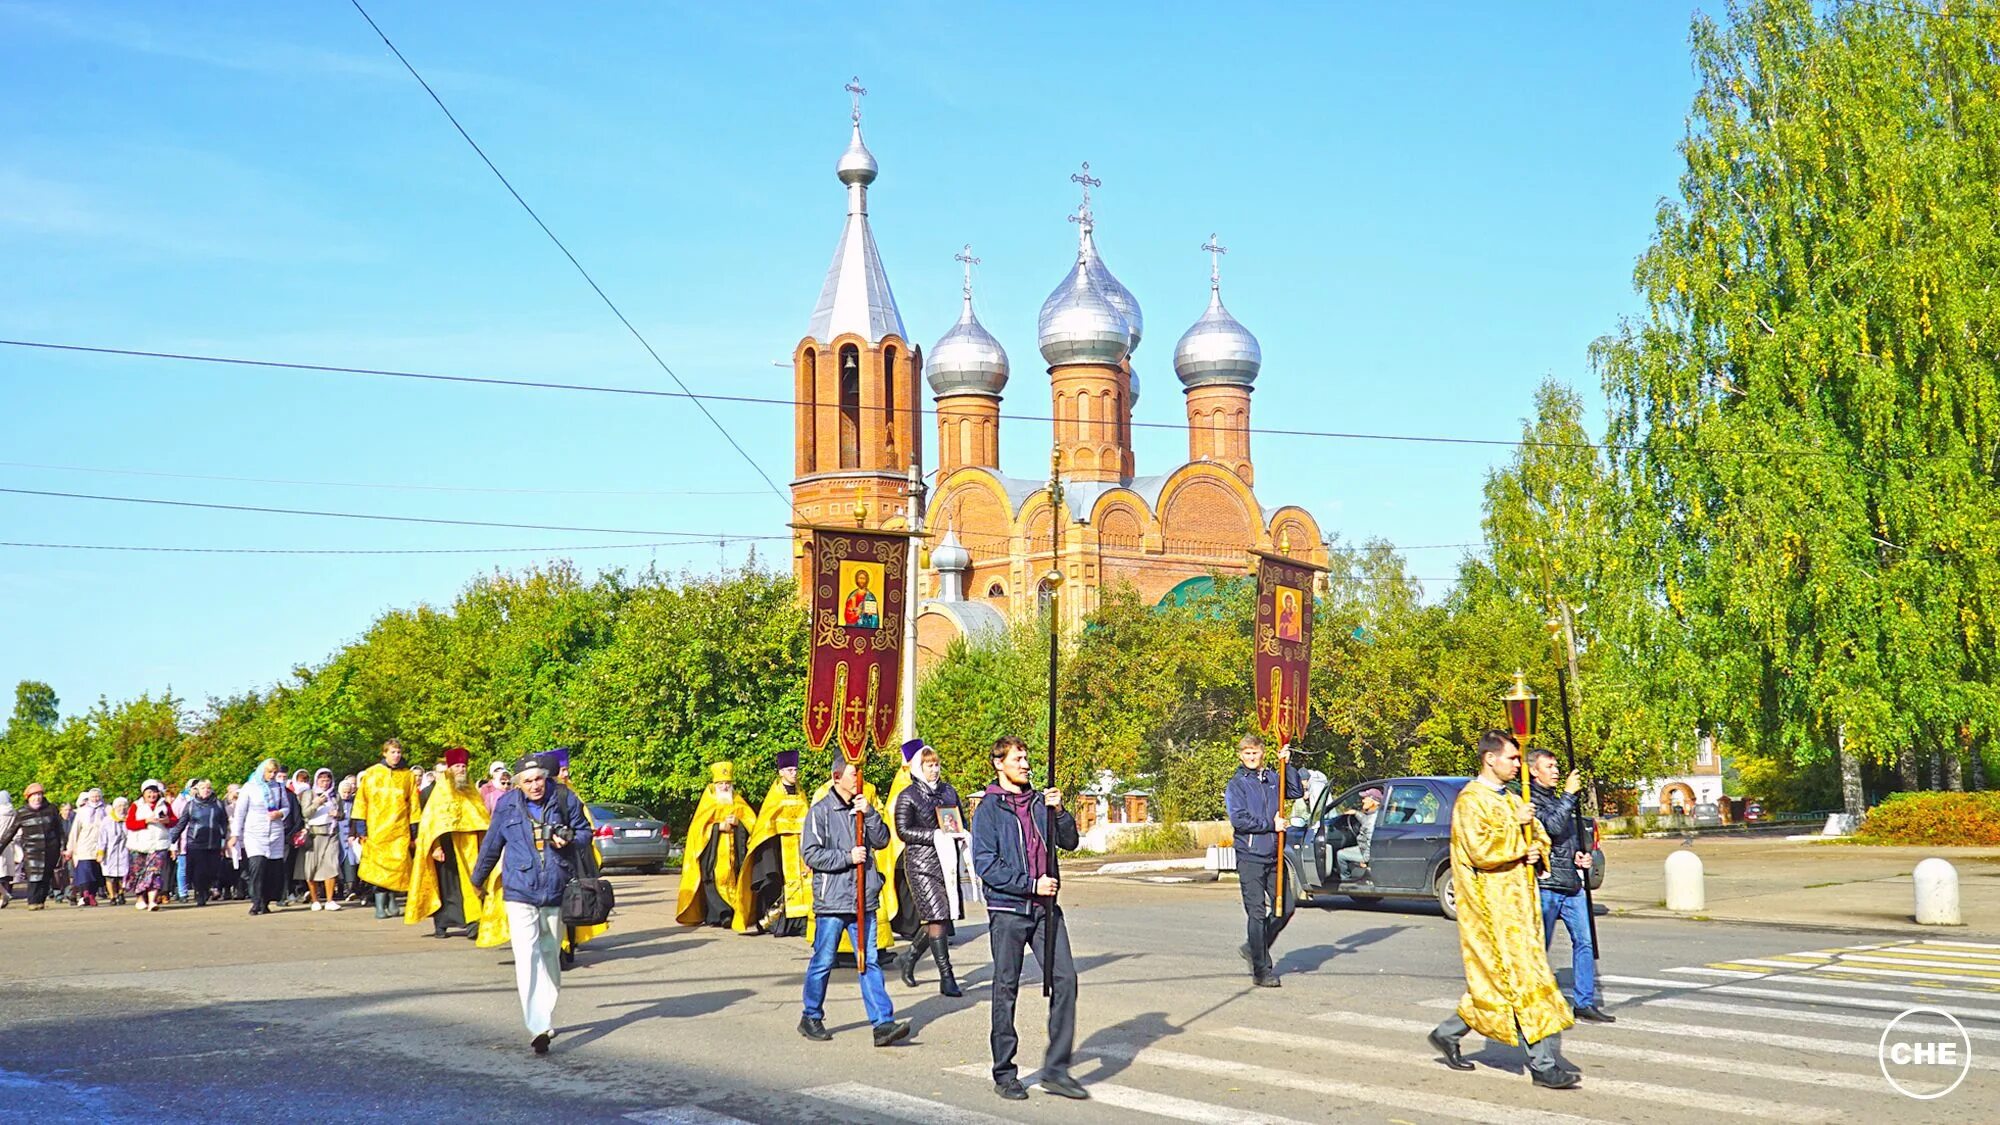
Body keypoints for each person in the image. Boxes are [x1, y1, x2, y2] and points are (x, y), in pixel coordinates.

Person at [1427, 730, 1579, 1089]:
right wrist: (1518, 834)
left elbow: (1538, 835)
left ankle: (1447, 1033)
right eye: (1512, 758)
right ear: (1490, 759)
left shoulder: (1512, 798)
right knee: (1522, 982)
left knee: (1498, 986)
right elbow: (1480, 849)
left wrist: (1535, 848)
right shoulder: (1470, 801)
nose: (1517, 765)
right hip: (1490, 911)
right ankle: (1543, 1066)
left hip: (1521, 907)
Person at [971, 735, 1086, 1102]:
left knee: (1065, 979)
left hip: (1045, 909)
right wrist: (1030, 884)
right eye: (1017, 759)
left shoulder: (1039, 802)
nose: (1025, 764)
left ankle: (1056, 1070)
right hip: (1008, 910)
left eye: (1026, 758)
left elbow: (1070, 842)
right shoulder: (989, 809)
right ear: (998, 763)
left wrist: (1060, 811)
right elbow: (986, 864)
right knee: (1006, 987)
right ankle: (1005, 1072)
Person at [471, 753, 595, 1055]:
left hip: (555, 888)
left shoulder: (564, 798)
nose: (535, 785)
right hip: (520, 889)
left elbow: (585, 833)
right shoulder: (506, 805)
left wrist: (569, 838)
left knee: (550, 953)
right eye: (528, 781)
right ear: (518, 784)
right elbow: (492, 843)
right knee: (526, 955)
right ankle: (537, 1026)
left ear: (546, 778)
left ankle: (546, 1013)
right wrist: (478, 878)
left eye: (539, 779)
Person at [797, 754, 911, 1047]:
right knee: (823, 960)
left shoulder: (863, 807)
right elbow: (810, 853)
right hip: (833, 901)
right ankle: (811, 1016)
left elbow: (882, 840)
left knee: (869, 961)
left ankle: (882, 1023)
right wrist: (847, 857)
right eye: (852, 774)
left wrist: (869, 813)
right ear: (837, 777)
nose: (858, 779)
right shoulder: (820, 811)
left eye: (860, 773)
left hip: (863, 899)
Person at [1528, 749, 1612, 1023]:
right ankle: (1530, 1003)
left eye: (1556, 766)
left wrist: (1579, 855)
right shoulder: (1529, 801)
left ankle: (1584, 1001)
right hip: (1547, 885)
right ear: (1534, 771)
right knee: (1540, 947)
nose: (1555, 771)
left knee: (1584, 942)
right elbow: (1551, 827)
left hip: (1572, 884)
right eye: (1549, 767)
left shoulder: (1559, 799)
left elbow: (1566, 838)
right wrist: (1568, 794)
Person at [1224, 734, 1306, 987]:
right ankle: (1261, 971)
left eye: (1255, 752)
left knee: (1286, 908)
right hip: (1250, 856)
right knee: (1257, 914)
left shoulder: (1272, 778)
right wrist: (1271, 825)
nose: (1251, 757)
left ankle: (1254, 947)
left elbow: (1295, 791)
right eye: (1247, 753)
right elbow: (1239, 819)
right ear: (1241, 755)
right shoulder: (1237, 785)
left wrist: (1287, 765)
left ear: (1262, 753)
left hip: (1274, 854)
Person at [893, 740, 968, 997]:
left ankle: (909, 958)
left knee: (942, 918)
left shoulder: (949, 792)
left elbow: (959, 821)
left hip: (946, 862)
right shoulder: (908, 796)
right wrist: (935, 835)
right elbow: (903, 831)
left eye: (936, 765)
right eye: (929, 766)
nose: (934, 770)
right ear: (918, 768)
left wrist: (961, 833)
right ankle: (947, 976)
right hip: (921, 863)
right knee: (937, 916)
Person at [406, 748, 489, 940]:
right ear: (449, 769)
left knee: (471, 884)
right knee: (446, 887)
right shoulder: (439, 792)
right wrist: (435, 847)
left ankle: (473, 923)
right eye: (457, 766)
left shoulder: (471, 790)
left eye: (463, 766)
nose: (461, 769)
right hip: (446, 847)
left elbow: (481, 816)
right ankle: (441, 925)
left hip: (469, 846)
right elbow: (431, 822)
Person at [738, 750, 811, 937]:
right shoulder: (775, 795)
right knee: (781, 886)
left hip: (799, 845)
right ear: (781, 772)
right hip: (779, 848)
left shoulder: (801, 793)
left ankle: (801, 923)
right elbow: (765, 824)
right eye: (789, 770)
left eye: (795, 770)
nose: (794, 773)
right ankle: (778, 923)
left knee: (803, 884)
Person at [675, 762, 756, 929]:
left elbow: (753, 825)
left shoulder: (738, 801)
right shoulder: (708, 802)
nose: (725, 787)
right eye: (721, 784)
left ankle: (734, 911)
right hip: (713, 853)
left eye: (728, 783)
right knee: (712, 881)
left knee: (734, 879)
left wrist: (738, 823)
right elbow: (697, 829)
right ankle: (720, 914)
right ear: (715, 784)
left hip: (734, 853)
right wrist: (718, 827)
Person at [354, 738, 421, 919]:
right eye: (392, 752)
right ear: (384, 753)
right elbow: (361, 801)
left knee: (397, 867)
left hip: (399, 830)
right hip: (376, 829)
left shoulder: (408, 775)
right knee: (378, 868)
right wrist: (361, 829)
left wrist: (414, 831)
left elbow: (414, 805)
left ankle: (392, 901)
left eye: (398, 752)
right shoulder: (372, 773)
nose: (396, 755)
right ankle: (379, 906)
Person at [230, 759, 289, 915]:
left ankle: (266, 901)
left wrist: (280, 813)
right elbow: (240, 812)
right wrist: (235, 834)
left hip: (275, 832)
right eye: (269, 772)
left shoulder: (279, 787)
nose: (272, 775)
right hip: (255, 833)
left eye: (275, 772)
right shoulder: (249, 787)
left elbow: (286, 807)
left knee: (272, 870)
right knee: (257, 867)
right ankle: (256, 901)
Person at [0, 784, 65, 908]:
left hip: (50, 848)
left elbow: (59, 830)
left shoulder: (51, 809)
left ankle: (40, 901)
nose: (37, 798)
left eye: (39, 795)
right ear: (28, 797)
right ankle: (33, 902)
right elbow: (10, 832)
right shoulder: (22, 812)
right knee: (34, 876)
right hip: (32, 849)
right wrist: (1, 846)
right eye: (34, 795)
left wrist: (63, 847)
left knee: (46, 875)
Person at [124, 780, 179, 912]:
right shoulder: (136, 805)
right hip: (139, 844)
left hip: (159, 843)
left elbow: (174, 820)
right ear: (143, 793)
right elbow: (129, 824)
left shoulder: (164, 804)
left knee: (154, 872)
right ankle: (140, 899)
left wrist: (166, 821)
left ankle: (152, 901)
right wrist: (145, 821)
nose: (152, 795)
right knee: (139, 872)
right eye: (149, 792)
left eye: (154, 792)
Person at [173, 780, 229, 906]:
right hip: (196, 843)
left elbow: (224, 822)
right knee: (199, 871)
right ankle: (200, 894)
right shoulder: (191, 805)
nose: (206, 790)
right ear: (198, 790)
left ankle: (206, 889)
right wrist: (172, 841)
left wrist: (223, 838)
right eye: (203, 788)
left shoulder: (218, 804)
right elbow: (181, 823)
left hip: (213, 843)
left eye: (208, 788)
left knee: (212, 870)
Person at [299, 769, 345, 911]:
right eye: (322, 780)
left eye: (327, 780)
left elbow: (342, 814)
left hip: (331, 833)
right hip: (314, 834)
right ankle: (315, 900)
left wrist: (338, 814)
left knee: (331, 865)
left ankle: (330, 900)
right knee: (311, 868)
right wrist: (317, 803)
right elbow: (305, 813)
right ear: (316, 780)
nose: (325, 783)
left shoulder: (335, 795)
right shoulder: (309, 794)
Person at [64, 789, 110, 907]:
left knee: (96, 872)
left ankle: (92, 895)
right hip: (84, 846)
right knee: (85, 871)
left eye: (97, 796)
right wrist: (70, 848)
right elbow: (75, 830)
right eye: (93, 797)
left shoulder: (106, 810)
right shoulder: (82, 811)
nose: (95, 799)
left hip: (100, 846)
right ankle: (85, 894)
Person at [1335, 788, 1382, 883]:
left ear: (1375, 802)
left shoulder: (1371, 822)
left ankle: (1346, 880)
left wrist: (1366, 861)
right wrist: (1356, 813)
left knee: (1340, 855)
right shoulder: (1373, 815)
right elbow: (1365, 821)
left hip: (1365, 852)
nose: (1363, 800)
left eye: (1366, 798)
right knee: (1344, 851)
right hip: (1362, 847)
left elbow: (1371, 844)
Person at [336, 776, 362, 902]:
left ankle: (351, 889)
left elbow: (356, 820)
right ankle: (340, 888)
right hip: (338, 835)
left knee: (350, 860)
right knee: (338, 860)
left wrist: (354, 834)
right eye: (344, 792)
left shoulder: (354, 803)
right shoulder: (336, 802)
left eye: (348, 792)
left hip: (350, 836)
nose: (346, 795)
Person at [103, 795, 132, 903]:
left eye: (124, 806)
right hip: (110, 851)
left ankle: (121, 893)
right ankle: (112, 896)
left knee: (123, 875)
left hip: (124, 850)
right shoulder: (107, 820)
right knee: (109, 875)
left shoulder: (129, 819)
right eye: (119, 806)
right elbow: (102, 837)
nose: (122, 808)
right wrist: (101, 851)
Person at [0, 791, 17, 906]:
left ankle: (4, 894)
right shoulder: (15, 813)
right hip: (9, 845)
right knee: (4, 875)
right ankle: (4, 894)